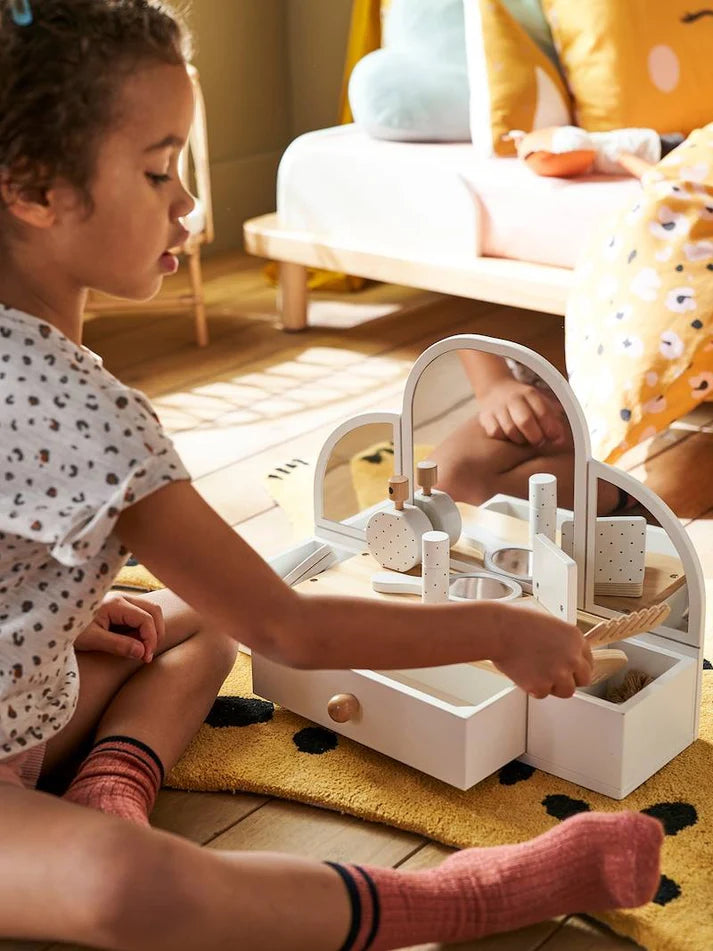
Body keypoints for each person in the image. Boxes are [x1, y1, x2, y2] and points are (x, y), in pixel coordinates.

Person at [0, 2, 663, 949]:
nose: (188, 204)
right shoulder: (95, 420)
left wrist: (45, 611)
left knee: (197, 626)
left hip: (28, 694)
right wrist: (496, 627)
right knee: (124, 885)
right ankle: (466, 897)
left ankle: (117, 777)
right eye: (158, 172)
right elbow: (292, 626)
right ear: (30, 188)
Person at [431, 350, 626, 513]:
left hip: (633, 403)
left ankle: (628, 482)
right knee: (439, 491)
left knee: (450, 501)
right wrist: (493, 383)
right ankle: (622, 486)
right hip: (542, 389)